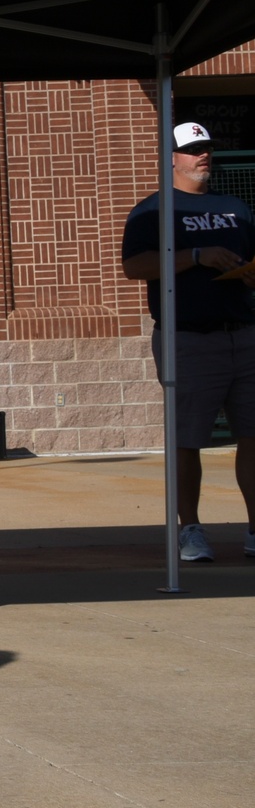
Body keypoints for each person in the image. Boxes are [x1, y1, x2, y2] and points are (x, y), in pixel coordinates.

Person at [120, 120, 255, 563]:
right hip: (189, 340)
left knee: (252, 436)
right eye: (193, 149)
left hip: (244, 334)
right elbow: (135, 266)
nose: (203, 156)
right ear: (171, 158)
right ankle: (190, 529)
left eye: (207, 148)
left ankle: (254, 530)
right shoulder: (151, 211)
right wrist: (195, 256)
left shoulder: (235, 207)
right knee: (187, 438)